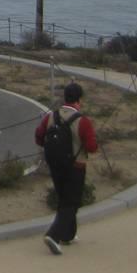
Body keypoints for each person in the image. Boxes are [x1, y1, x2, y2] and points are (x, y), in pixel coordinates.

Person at [35, 81, 99, 254]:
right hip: (75, 166)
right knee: (72, 202)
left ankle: (68, 234)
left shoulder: (51, 116)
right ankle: (53, 235)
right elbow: (92, 147)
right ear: (79, 99)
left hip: (55, 164)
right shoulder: (82, 121)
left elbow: (39, 136)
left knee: (64, 199)